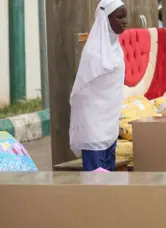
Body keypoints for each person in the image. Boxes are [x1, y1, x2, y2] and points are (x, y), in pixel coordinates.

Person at [69, 0, 128, 171]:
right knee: (96, 180)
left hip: (109, 123)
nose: (124, 21)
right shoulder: (94, 51)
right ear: (105, 19)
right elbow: (83, 91)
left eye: (125, 17)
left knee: (109, 177)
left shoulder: (116, 48)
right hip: (94, 125)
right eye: (119, 17)